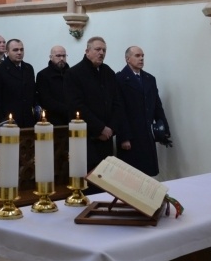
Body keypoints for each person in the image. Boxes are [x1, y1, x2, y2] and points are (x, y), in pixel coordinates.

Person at [64, 37, 125, 175]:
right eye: (97, 49)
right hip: (86, 138)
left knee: (106, 180)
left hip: (107, 138)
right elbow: (76, 106)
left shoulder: (108, 72)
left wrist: (110, 129)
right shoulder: (74, 73)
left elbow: (116, 103)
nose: (101, 53)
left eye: (104, 50)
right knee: (89, 182)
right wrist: (100, 128)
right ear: (87, 51)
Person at [116, 46, 171, 176]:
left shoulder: (149, 79)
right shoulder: (119, 79)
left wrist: (164, 129)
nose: (141, 58)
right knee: (130, 176)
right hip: (131, 135)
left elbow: (157, 105)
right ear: (127, 59)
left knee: (147, 174)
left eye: (142, 56)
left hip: (147, 133)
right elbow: (119, 110)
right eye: (137, 56)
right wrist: (124, 137)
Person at [0, 39, 36, 127]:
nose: (19, 52)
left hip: (28, 118)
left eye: (21, 49)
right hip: (9, 119)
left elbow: (32, 93)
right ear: (7, 52)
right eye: (15, 50)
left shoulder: (28, 68)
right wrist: (1, 119)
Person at [35, 45, 70, 125]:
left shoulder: (72, 74)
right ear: (51, 57)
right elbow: (46, 100)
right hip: (53, 119)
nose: (61, 58)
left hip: (71, 118)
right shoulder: (43, 75)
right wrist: (67, 109)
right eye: (58, 56)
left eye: (64, 56)